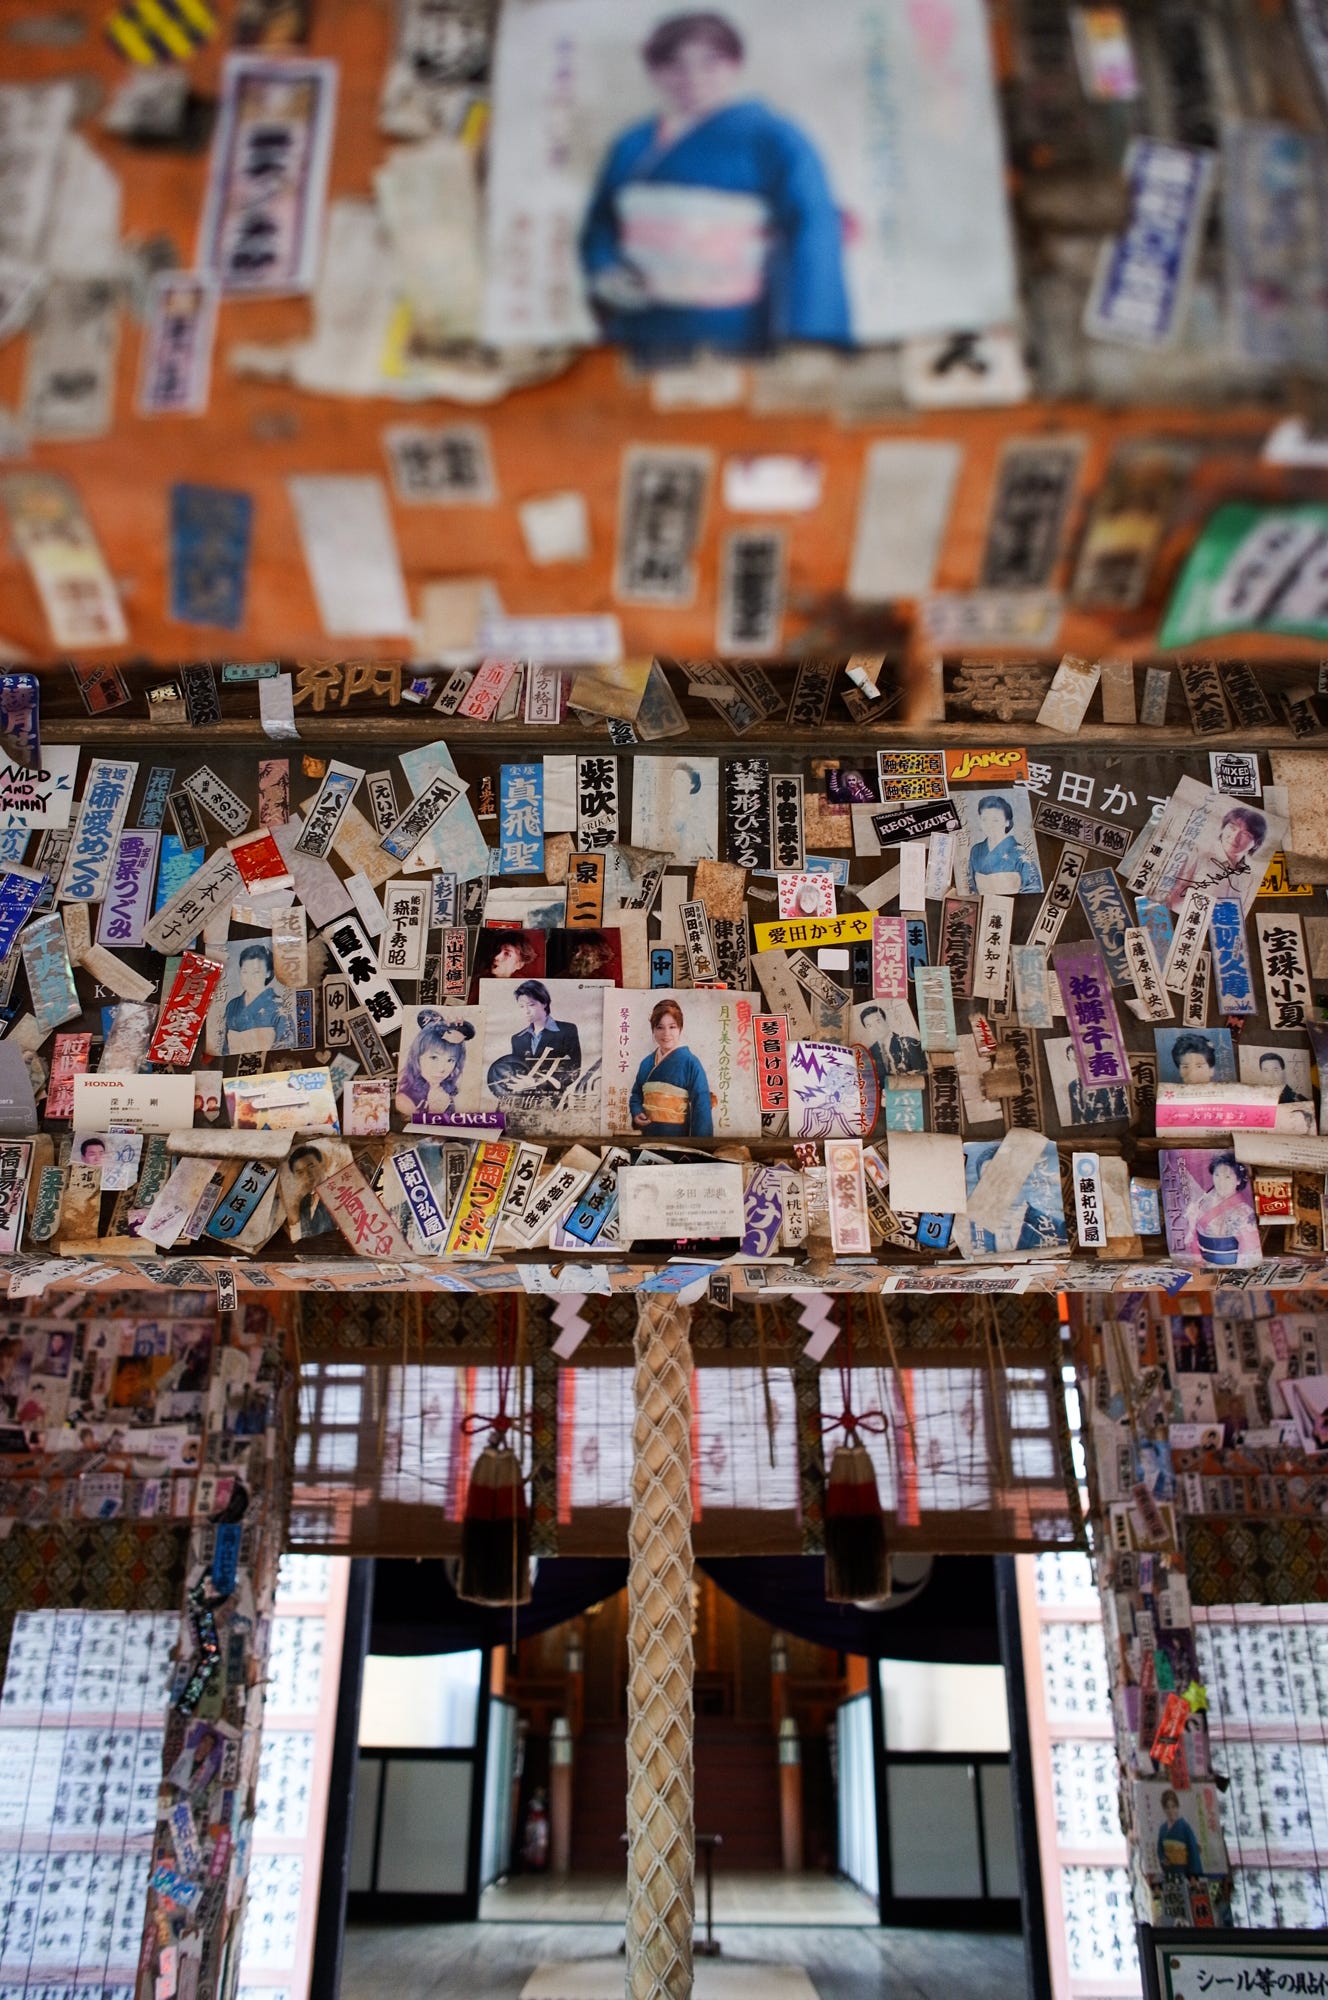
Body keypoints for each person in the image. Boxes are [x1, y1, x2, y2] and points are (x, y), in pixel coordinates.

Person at [579, 10, 850, 357]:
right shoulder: (632, 144)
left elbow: (813, 227)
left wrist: (811, 335)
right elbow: (602, 223)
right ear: (654, 71)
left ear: (735, 65)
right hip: (644, 319)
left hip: (736, 322)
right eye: (674, 65)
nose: (693, 78)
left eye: (710, 63)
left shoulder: (774, 139)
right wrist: (605, 272)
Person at [487, 980, 582, 1102]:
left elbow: (574, 1069)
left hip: (555, 1100)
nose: (526, 1011)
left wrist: (538, 1082)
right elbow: (518, 1070)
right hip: (525, 1101)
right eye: (521, 1006)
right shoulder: (517, 1039)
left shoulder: (567, 1030)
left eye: (531, 1005)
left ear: (544, 1003)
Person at [630, 999, 714, 1136]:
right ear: (653, 1030)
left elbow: (702, 1106)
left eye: (672, 1027)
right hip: (647, 1135)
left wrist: (700, 1143)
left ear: (680, 1028)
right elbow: (636, 1095)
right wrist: (636, 1111)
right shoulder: (646, 1063)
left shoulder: (690, 1062)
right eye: (660, 1027)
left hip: (678, 1137)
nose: (666, 1033)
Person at [1165, 803, 1267, 913]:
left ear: (1256, 844)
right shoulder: (1198, 855)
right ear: (1223, 828)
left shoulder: (1249, 878)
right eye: (1232, 828)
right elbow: (1170, 898)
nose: (1235, 837)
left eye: (1245, 834)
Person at [1182, 1153, 1261, 1266]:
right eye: (1217, 1175)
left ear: (1238, 1180)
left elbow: (1249, 1251)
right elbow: (1192, 1233)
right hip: (1201, 1260)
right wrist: (1197, 1259)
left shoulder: (1244, 1212)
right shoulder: (1203, 1200)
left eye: (1227, 1177)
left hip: (1229, 1266)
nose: (1221, 1181)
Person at [395, 1013, 476, 1122]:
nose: (442, 1068)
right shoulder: (404, 1100)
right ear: (417, 1056)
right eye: (434, 1058)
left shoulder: (447, 1090)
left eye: (450, 1060)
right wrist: (434, 1111)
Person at [223, 943, 293, 1055]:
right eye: (245, 972)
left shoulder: (278, 1006)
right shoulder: (232, 1005)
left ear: (268, 973)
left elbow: (285, 1046)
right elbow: (225, 1048)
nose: (249, 978)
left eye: (256, 972)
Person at [967, 794, 1041, 894]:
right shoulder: (976, 850)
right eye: (984, 819)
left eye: (995, 820)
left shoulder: (1020, 852)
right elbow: (971, 885)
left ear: (1007, 822)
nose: (989, 825)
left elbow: (1033, 887)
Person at [285, 1145, 335, 1239]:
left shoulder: (337, 1192)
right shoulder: (304, 1201)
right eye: (300, 1172)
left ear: (323, 1165)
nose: (307, 1175)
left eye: (311, 1167)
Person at [1157, 1790, 1204, 1878]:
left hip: (1184, 1870)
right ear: (1164, 1809)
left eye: (1173, 1806)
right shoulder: (1162, 1828)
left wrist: (1193, 1875)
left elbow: (1193, 1850)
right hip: (1169, 1871)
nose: (1171, 1811)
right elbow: (1160, 1848)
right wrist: (1163, 1858)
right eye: (1167, 1807)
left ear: (1178, 1807)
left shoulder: (1184, 1826)